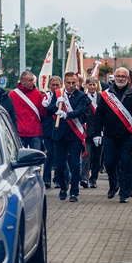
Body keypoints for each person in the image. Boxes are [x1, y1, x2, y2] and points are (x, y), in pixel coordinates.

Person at [91, 67, 132, 203]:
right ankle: (113, 185)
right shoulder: (106, 95)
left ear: (127, 78)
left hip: (127, 136)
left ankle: (124, 192)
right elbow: (98, 116)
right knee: (109, 163)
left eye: (123, 76)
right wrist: (96, 133)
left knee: (126, 164)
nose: (121, 78)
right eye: (118, 76)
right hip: (110, 135)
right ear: (114, 77)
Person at [47, 72, 90, 202]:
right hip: (59, 134)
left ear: (77, 83)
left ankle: (74, 192)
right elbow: (48, 111)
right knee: (59, 166)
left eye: (73, 83)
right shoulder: (58, 94)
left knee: (75, 165)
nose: (71, 85)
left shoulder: (82, 96)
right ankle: (63, 187)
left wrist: (67, 114)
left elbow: (80, 110)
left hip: (74, 135)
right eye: (68, 83)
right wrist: (55, 104)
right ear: (64, 83)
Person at [9, 70, 46, 150]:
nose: (33, 83)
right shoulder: (12, 95)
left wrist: (45, 106)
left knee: (36, 158)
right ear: (22, 81)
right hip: (19, 132)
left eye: (33, 80)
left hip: (35, 132)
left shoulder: (38, 94)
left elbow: (43, 114)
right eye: (30, 80)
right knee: (20, 158)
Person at [41, 76, 65, 189]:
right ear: (49, 85)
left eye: (57, 85)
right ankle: (46, 179)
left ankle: (58, 179)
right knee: (49, 155)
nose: (55, 87)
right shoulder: (45, 96)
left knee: (59, 156)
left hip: (60, 130)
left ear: (61, 85)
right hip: (48, 130)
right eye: (53, 85)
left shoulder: (64, 96)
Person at [81, 77, 104, 188]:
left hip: (99, 131)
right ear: (86, 85)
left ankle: (93, 178)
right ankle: (84, 178)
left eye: (94, 84)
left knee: (97, 157)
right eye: (89, 84)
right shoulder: (83, 97)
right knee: (86, 155)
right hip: (87, 131)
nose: (92, 87)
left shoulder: (102, 97)